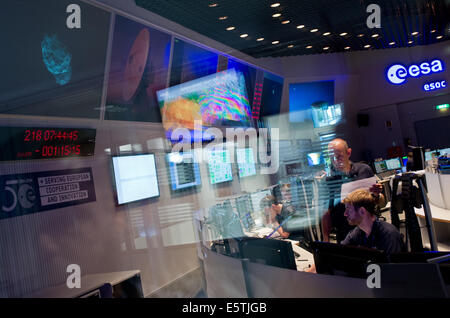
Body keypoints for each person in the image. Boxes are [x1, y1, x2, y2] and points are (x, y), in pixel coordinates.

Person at [321, 138, 385, 243]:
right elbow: (326, 213)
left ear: (348, 153)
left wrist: (377, 195)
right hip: (345, 233)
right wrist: (326, 239)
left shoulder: (364, 170)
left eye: (339, 156)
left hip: (371, 229)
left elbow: (381, 202)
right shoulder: (328, 180)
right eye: (332, 158)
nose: (336, 161)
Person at [342, 189, 405, 254]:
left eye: (348, 209)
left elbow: (392, 263)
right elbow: (341, 251)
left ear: (362, 211)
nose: (345, 214)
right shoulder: (358, 232)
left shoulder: (389, 234)